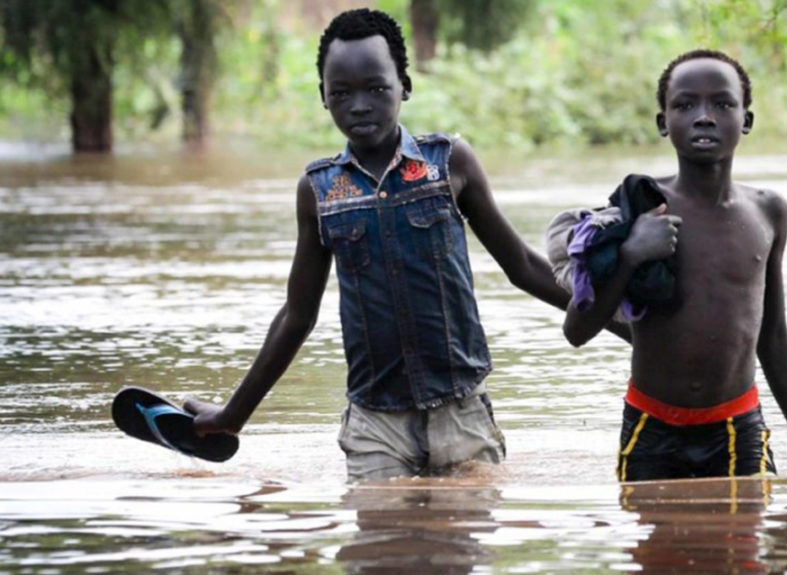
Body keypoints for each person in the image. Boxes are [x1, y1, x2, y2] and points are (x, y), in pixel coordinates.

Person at [183, 9, 615, 481]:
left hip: (461, 411)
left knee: (460, 541)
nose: (360, 105)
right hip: (375, 423)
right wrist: (233, 415)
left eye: (376, 88)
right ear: (323, 98)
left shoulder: (449, 163)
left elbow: (523, 267)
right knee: (381, 545)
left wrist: (630, 330)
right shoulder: (320, 191)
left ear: (404, 86)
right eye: (341, 93)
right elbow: (296, 316)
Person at [559, 49, 787, 480]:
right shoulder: (638, 207)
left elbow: (773, 338)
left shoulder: (768, 212)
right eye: (685, 105)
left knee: (745, 545)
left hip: (737, 428)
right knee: (657, 545)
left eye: (722, 104)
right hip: (651, 429)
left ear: (746, 120)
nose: (704, 117)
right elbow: (577, 330)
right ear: (664, 123)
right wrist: (630, 254)